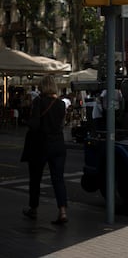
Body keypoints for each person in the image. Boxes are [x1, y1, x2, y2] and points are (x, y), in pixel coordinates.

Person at [21, 75, 68, 225]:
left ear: (42, 87)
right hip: (58, 144)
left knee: (35, 178)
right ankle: (62, 211)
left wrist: (26, 121)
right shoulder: (61, 104)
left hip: (40, 144)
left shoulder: (38, 102)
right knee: (58, 179)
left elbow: (34, 125)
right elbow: (61, 124)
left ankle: (33, 208)